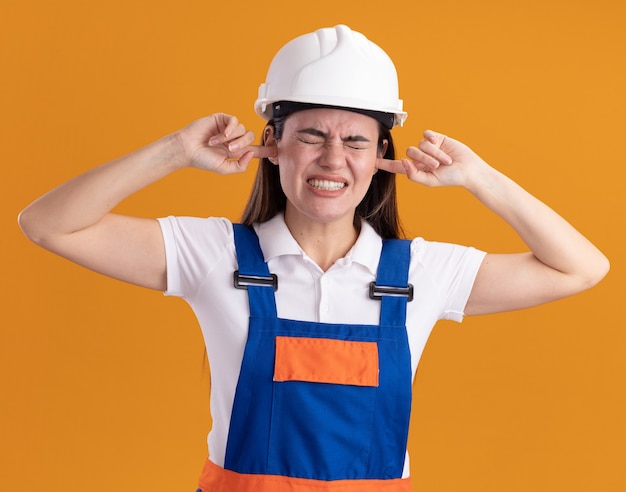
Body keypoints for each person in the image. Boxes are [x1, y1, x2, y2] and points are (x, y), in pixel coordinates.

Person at [18, 25, 608, 492]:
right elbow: (46, 224)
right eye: (310, 136)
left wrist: (480, 179)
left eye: (355, 141)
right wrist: (174, 151)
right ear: (272, 144)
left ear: (381, 155)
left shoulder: (421, 275)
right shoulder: (213, 254)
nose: (332, 159)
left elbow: (582, 267)